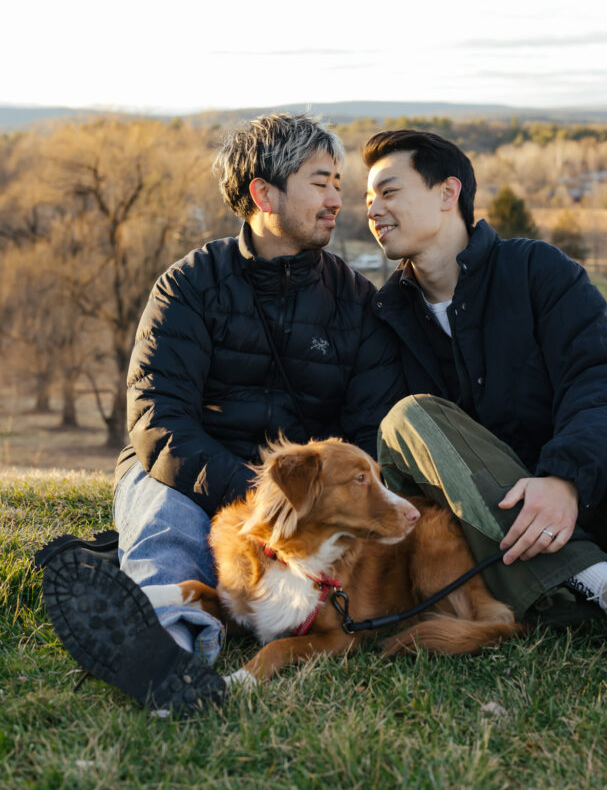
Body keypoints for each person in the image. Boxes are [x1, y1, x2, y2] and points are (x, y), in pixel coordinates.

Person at [41, 113, 404, 714]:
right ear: (264, 193)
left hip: (303, 495)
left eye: (339, 182)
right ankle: (165, 660)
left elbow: (368, 431)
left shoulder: (356, 303)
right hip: (186, 472)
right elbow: (160, 422)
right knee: (170, 534)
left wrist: (312, 503)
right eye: (320, 182)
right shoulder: (188, 286)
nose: (337, 199)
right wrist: (255, 498)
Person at [363, 128, 607, 679]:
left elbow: (606, 376)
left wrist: (565, 479)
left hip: (594, 506)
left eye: (388, 192)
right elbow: (391, 453)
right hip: (505, 560)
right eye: (368, 198)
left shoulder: (537, 270)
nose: (372, 209)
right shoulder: (385, 318)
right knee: (409, 417)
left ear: (447, 193)